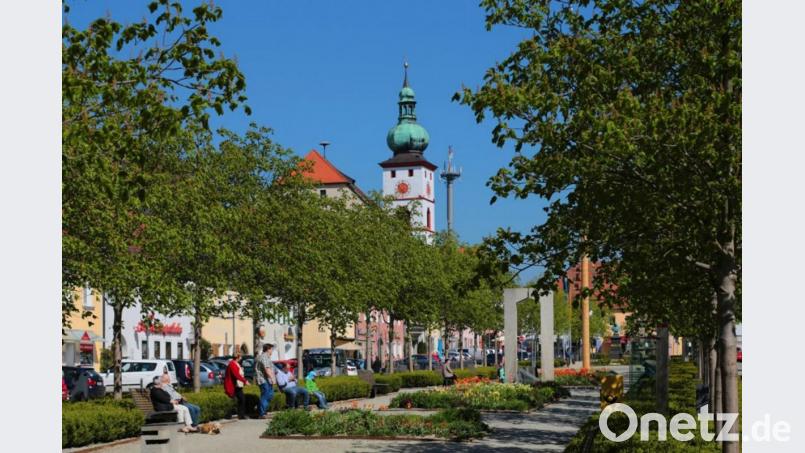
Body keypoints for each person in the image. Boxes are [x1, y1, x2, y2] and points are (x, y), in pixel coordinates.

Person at [224, 352, 249, 420]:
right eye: (240, 356)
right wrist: (245, 381)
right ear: (238, 357)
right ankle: (228, 415)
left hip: (236, 385)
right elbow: (236, 375)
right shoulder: (232, 364)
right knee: (233, 401)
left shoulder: (235, 363)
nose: (241, 358)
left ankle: (241, 415)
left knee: (241, 399)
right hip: (232, 385)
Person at [255, 343, 276, 419]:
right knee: (266, 395)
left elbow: (270, 368)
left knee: (270, 395)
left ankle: (261, 409)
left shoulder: (267, 357)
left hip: (267, 380)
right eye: (271, 349)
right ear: (268, 349)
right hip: (263, 380)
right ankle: (261, 413)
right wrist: (273, 378)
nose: (272, 351)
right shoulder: (264, 357)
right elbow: (267, 369)